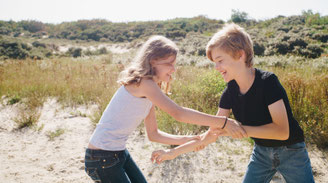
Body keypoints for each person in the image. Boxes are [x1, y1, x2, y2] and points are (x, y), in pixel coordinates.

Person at [152, 23, 315, 183]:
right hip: (261, 154)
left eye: (220, 60)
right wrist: (172, 153)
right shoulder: (230, 91)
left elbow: (282, 132)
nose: (216, 67)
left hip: (292, 152)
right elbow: (211, 134)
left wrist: (235, 129)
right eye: (214, 62)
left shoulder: (268, 82)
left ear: (240, 54)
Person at [84, 35, 247, 183]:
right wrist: (224, 122)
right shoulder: (144, 83)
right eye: (169, 64)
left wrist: (185, 140)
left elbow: (153, 134)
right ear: (153, 61)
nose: (173, 69)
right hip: (102, 157)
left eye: (174, 64)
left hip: (117, 153)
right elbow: (178, 113)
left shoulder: (150, 88)